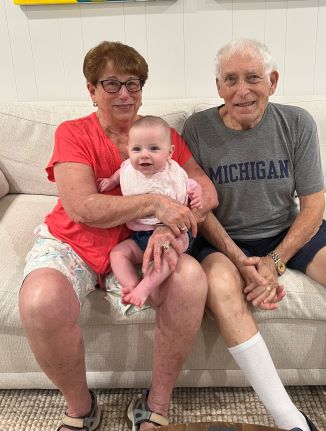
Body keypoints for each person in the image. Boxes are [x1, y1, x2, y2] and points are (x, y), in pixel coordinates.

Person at [19, 41, 218, 431]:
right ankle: (80, 409)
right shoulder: (73, 133)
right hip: (72, 242)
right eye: (111, 84)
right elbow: (82, 207)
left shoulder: (161, 134)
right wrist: (155, 205)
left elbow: (203, 188)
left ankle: (155, 406)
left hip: (137, 245)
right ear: (91, 90)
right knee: (41, 301)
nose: (125, 93)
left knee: (191, 279)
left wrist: (172, 220)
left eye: (134, 83)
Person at [183, 39, 326, 431]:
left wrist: (274, 262)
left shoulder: (297, 122)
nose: (242, 90)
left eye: (253, 78)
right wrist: (240, 260)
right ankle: (290, 419)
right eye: (231, 80)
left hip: (286, 231)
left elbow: (314, 205)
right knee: (219, 286)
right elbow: (199, 209)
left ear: (272, 81)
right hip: (224, 239)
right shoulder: (197, 128)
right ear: (218, 86)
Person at [98, 115, 202, 308]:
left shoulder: (174, 174)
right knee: (118, 253)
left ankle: (145, 287)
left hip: (175, 234)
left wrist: (197, 195)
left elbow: (192, 185)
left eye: (153, 148)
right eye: (137, 149)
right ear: (128, 151)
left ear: (170, 153)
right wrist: (112, 181)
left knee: (167, 257)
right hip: (140, 236)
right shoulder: (129, 170)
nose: (144, 155)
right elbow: (121, 171)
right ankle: (131, 285)